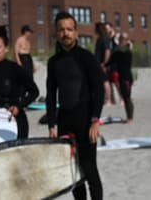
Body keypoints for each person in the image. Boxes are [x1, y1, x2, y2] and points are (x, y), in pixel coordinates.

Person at [46, 12, 104, 200]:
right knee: (73, 174)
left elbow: (99, 91)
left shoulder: (86, 58)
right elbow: (50, 94)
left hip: (86, 120)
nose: (66, 33)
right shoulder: (53, 62)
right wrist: (52, 124)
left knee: (89, 169)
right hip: (65, 121)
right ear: (56, 33)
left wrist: (95, 120)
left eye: (69, 29)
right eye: (61, 30)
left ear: (76, 33)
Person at [111, 33, 135, 121]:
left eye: (122, 40)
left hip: (126, 77)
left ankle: (130, 118)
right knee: (125, 97)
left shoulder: (125, 50)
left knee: (127, 97)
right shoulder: (123, 49)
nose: (121, 42)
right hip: (123, 76)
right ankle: (129, 117)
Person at [94, 22, 117, 107]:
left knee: (105, 82)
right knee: (105, 82)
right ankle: (109, 100)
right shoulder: (103, 39)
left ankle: (109, 100)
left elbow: (107, 51)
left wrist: (104, 64)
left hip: (102, 64)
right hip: (100, 64)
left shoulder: (103, 39)